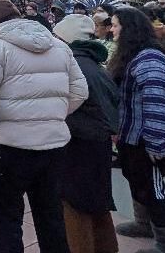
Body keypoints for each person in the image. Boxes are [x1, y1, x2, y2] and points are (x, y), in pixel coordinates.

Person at [0, 0, 88, 253]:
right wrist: (51, 114)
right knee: (51, 216)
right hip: (54, 144)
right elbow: (80, 91)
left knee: (3, 219)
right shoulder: (58, 45)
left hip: (8, 146)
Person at [108, 7, 165, 253]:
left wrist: (157, 144)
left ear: (129, 28)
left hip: (145, 138)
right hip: (130, 135)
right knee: (138, 182)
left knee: (153, 189)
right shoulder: (132, 55)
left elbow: (157, 102)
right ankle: (143, 223)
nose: (112, 29)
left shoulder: (150, 58)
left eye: (116, 25)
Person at [50, 14, 120, 253]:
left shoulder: (73, 65)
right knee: (98, 206)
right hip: (96, 142)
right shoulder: (95, 65)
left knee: (75, 209)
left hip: (78, 143)